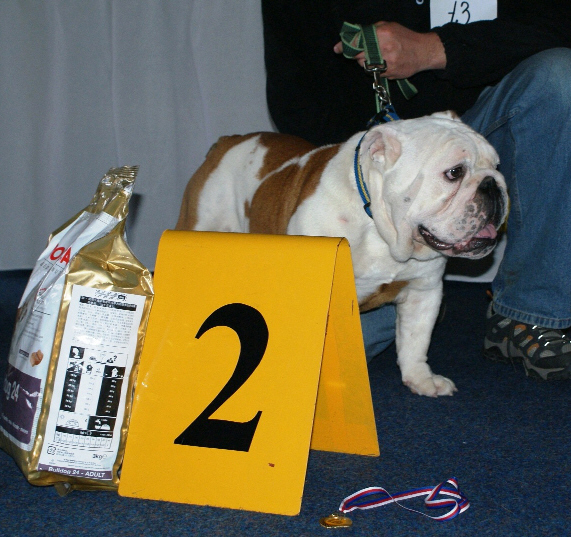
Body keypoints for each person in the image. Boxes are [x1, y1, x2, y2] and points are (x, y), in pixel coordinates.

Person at [262, 0, 571, 380]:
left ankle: (529, 312)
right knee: (313, 353)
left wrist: (437, 49)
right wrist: (375, 172)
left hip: (478, 121)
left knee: (560, 76)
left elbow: (556, 22)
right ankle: (414, 273)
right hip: (370, 158)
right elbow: (295, 96)